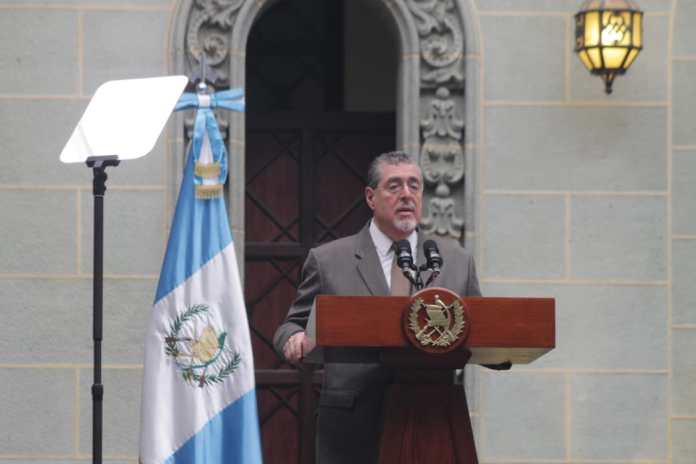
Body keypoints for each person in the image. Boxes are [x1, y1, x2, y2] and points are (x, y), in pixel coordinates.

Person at [273, 150, 481, 464]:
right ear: (371, 197)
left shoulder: (455, 260)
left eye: (414, 185)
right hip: (352, 428)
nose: (407, 195)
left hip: (431, 421)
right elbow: (292, 324)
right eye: (394, 186)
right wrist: (293, 340)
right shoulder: (329, 260)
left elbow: (481, 326)